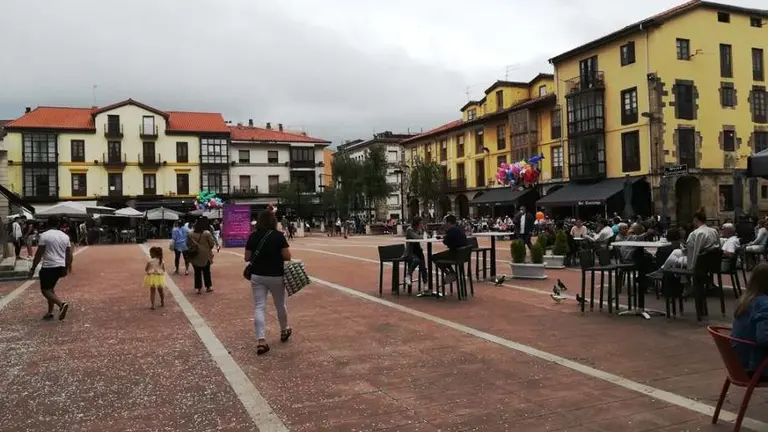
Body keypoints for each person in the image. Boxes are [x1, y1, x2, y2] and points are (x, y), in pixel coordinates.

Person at [244, 210, 292, 356]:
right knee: (280, 305)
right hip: (276, 275)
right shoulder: (278, 236)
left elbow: (247, 257)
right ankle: (284, 330)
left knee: (259, 306)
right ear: (273, 221)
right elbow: (287, 256)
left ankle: (261, 341)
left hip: (257, 275)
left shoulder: (253, 236)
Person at [28, 217, 72, 321]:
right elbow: (68, 254)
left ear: (48, 225)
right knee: (50, 289)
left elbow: (39, 253)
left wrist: (33, 268)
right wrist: (67, 267)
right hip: (60, 266)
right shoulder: (65, 236)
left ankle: (61, 304)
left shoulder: (45, 235)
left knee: (45, 290)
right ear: (58, 225)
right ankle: (50, 312)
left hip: (49, 266)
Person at [731, 263, 768, 380]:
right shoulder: (763, 304)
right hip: (755, 367)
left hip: (738, 364)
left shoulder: (745, 301)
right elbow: (764, 338)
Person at [432, 215, 467, 285]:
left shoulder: (451, 231)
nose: (444, 224)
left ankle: (449, 273)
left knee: (434, 257)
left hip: (455, 254)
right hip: (463, 254)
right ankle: (451, 273)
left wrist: (445, 236)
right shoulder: (460, 229)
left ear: (448, 223)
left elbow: (446, 242)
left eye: (445, 222)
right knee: (444, 256)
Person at [187, 218, 216, 295]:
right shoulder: (207, 233)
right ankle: (208, 287)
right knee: (206, 271)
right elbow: (212, 244)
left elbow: (188, 244)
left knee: (197, 272)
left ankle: (198, 288)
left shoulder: (190, 233)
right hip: (206, 255)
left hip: (195, 255)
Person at [404, 216, 427, 289]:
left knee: (423, 267)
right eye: (421, 223)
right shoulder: (409, 230)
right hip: (410, 252)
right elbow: (417, 238)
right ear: (417, 223)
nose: (422, 224)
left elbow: (426, 237)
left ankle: (425, 283)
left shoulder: (419, 230)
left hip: (418, 251)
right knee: (416, 260)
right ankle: (408, 275)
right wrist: (422, 233)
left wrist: (424, 232)